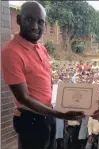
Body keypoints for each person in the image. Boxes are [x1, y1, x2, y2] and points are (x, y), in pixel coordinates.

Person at [1, 2, 82, 149]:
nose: (35, 26)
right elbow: (23, 98)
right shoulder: (11, 52)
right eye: (29, 19)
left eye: (40, 22)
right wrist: (61, 115)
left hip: (47, 115)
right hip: (31, 120)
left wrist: (66, 102)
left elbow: (47, 80)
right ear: (19, 19)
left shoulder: (41, 47)